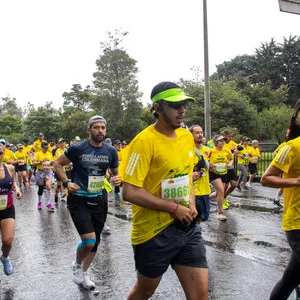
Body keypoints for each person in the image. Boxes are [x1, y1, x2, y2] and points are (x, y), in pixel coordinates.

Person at [121, 82, 208, 300]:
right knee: (144, 291)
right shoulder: (143, 142)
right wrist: (173, 207)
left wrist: (190, 202)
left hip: (187, 227)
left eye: (184, 105)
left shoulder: (187, 137)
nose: (182, 110)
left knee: (200, 296)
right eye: (175, 105)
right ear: (157, 108)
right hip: (154, 233)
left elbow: (186, 174)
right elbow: (129, 192)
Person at [54, 115, 120, 290]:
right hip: (78, 200)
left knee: (95, 242)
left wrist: (117, 179)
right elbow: (57, 164)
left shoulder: (110, 151)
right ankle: (76, 264)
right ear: (89, 129)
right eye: (96, 127)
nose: (100, 131)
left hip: (98, 199)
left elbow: (115, 173)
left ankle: (84, 273)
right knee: (89, 241)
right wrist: (67, 182)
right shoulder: (78, 148)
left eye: (103, 128)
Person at [261, 99, 300, 300]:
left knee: (290, 279)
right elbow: (266, 178)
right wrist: (296, 181)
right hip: (297, 223)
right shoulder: (291, 147)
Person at [0, 143, 22, 275]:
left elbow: (12, 183)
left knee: (7, 241)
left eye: (0, 152)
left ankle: (5, 257)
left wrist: (17, 189)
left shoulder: (10, 168)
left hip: (7, 208)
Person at [208, 135, 233, 221]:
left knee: (219, 193)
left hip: (224, 173)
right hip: (214, 174)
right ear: (216, 142)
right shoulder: (211, 151)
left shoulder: (226, 150)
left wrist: (230, 164)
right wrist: (211, 166)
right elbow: (206, 161)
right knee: (221, 191)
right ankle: (220, 213)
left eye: (223, 141)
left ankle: (207, 198)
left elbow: (231, 158)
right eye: (220, 141)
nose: (222, 142)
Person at [189, 125, 211, 222]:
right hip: (193, 191)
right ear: (191, 135)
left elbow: (211, 167)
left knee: (204, 217)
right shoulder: (187, 150)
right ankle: (196, 236)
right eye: (197, 133)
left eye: (201, 132)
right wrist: (191, 176)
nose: (200, 135)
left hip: (205, 190)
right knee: (193, 218)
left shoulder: (208, 150)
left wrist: (214, 167)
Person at [32, 142, 55, 211]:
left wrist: (52, 163)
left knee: (48, 186)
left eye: (47, 148)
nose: (46, 149)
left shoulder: (50, 154)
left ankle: (48, 203)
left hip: (48, 172)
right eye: (45, 148)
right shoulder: (38, 154)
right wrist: (41, 161)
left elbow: (52, 162)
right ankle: (39, 202)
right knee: (41, 188)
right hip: (40, 172)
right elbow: (33, 164)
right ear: (41, 147)